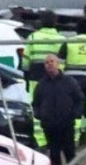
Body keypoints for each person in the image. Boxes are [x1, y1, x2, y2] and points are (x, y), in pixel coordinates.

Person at [32, 54, 86, 165]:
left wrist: (75, 114)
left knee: (70, 156)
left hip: (67, 125)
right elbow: (35, 103)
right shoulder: (41, 85)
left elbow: (80, 99)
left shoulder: (70, 82)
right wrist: (39, 115)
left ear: (58, 63)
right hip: (50, 126)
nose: (49, 64)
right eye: (46, 63)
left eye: (51, 62)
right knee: (54, 157)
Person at [22, 11, 66, 147]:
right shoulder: (61, 39)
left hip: (36, 77)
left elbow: (25, 61)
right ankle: (56, 138)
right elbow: (63, 61)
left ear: (41, 22)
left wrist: (26, 75)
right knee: (56, 106)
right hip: (55, 78)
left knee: (38, 106)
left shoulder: (33, 37)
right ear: (55, 22)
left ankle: (41, 140)